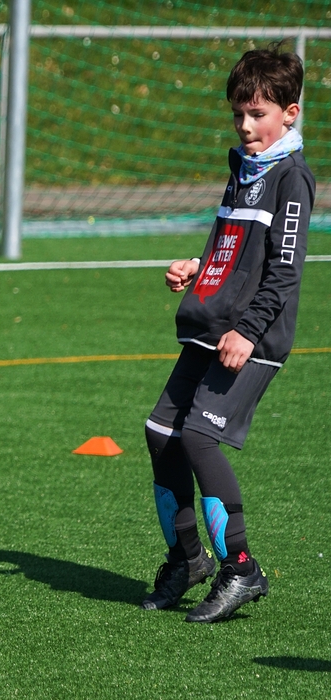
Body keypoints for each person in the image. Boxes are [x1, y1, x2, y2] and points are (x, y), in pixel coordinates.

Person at [141, 45, 314, 623]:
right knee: (160, 432)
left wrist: (248, 330)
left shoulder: (292, 177)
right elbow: (233, 246)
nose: (245, 125)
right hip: (213, 325)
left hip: (252, 337)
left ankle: (240, 568)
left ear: (289, 113)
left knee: (198, 438)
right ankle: (186, 559)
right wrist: (198, 266)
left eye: (257, 114)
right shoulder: (244, 167)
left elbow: (284, 271)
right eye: (238, 113)